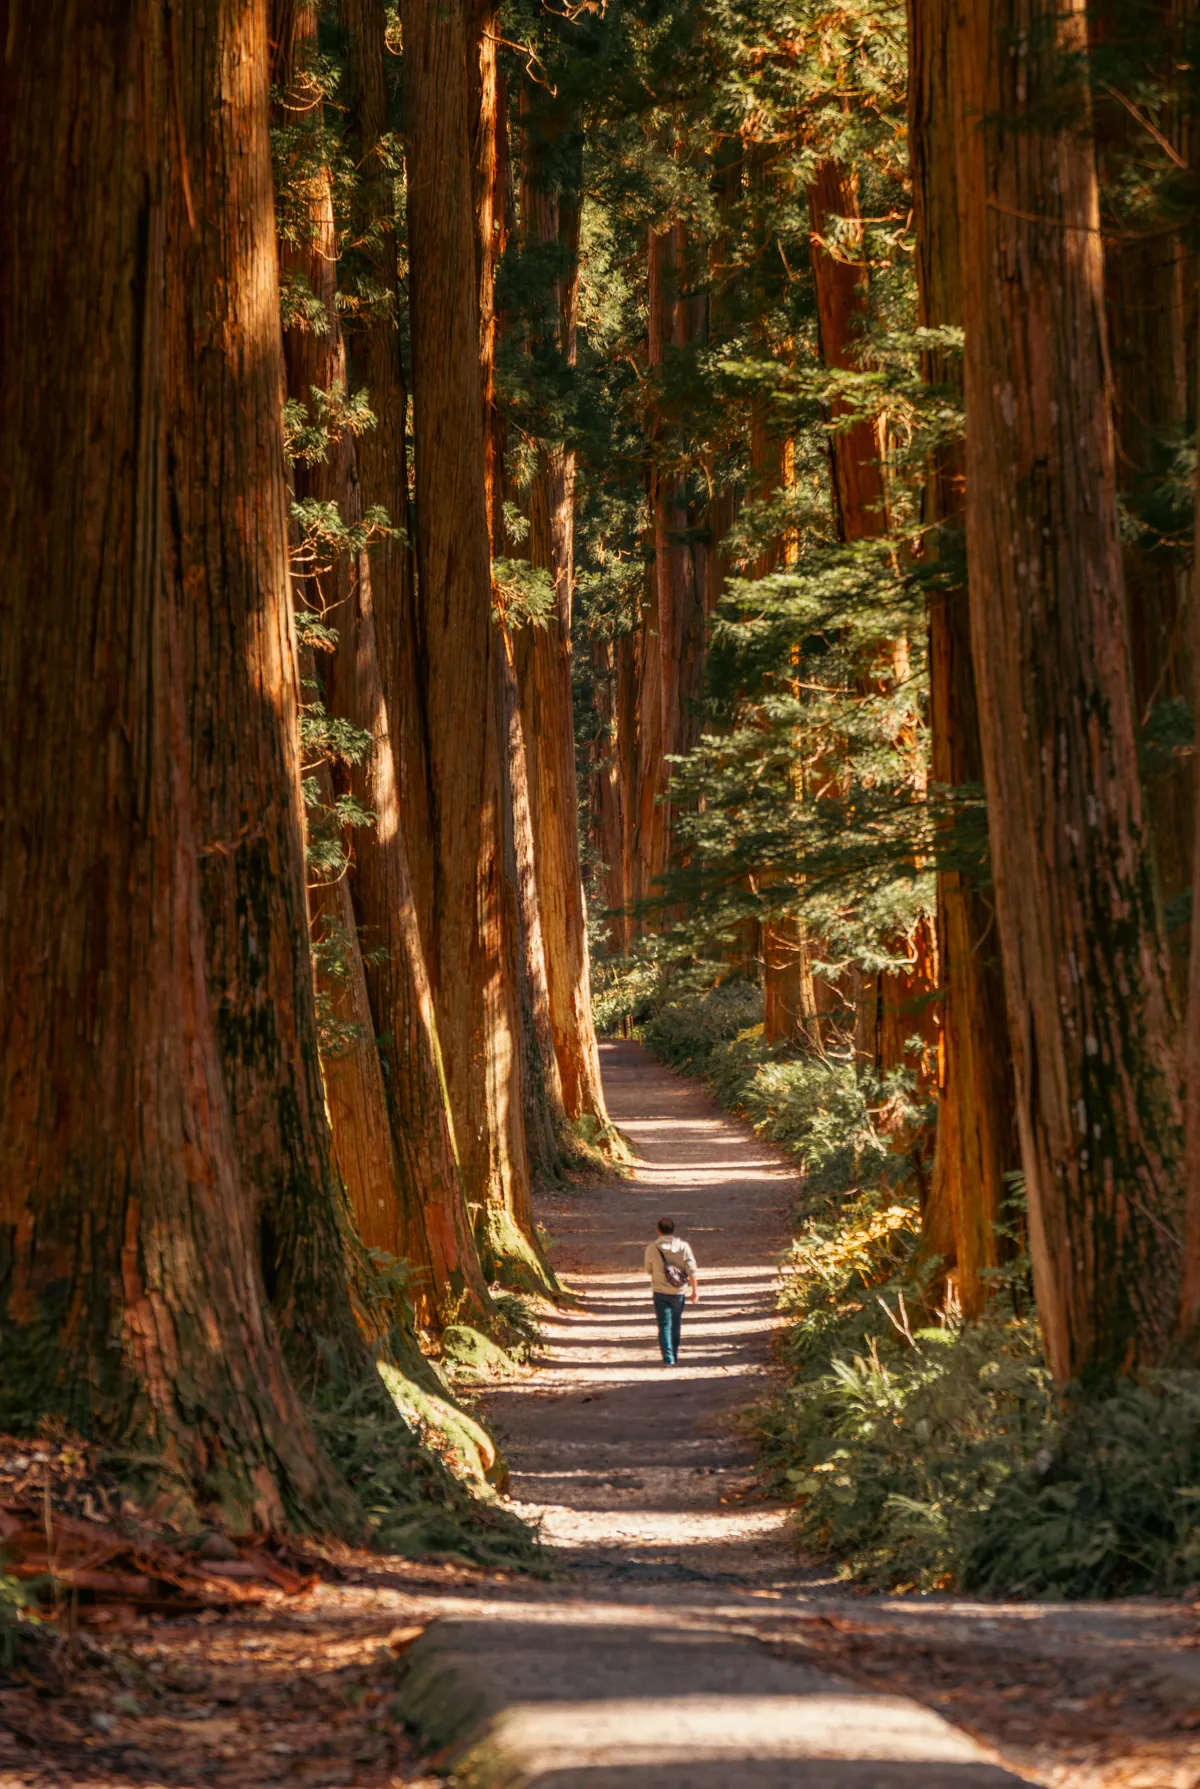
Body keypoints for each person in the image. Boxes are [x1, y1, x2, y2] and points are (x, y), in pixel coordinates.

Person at [644, 1217, 698, 1366]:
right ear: (673, 1230)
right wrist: (694, 1291)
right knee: (676, 1323)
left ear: (658, 1231)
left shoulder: (651, 1248)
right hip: (679, 1292)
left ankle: (668, 1357)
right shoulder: (684, 1247)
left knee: (663, 1324)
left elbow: (648, 1269)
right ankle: (674, 1352)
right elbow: (692, 1270)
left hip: (659, 1291)